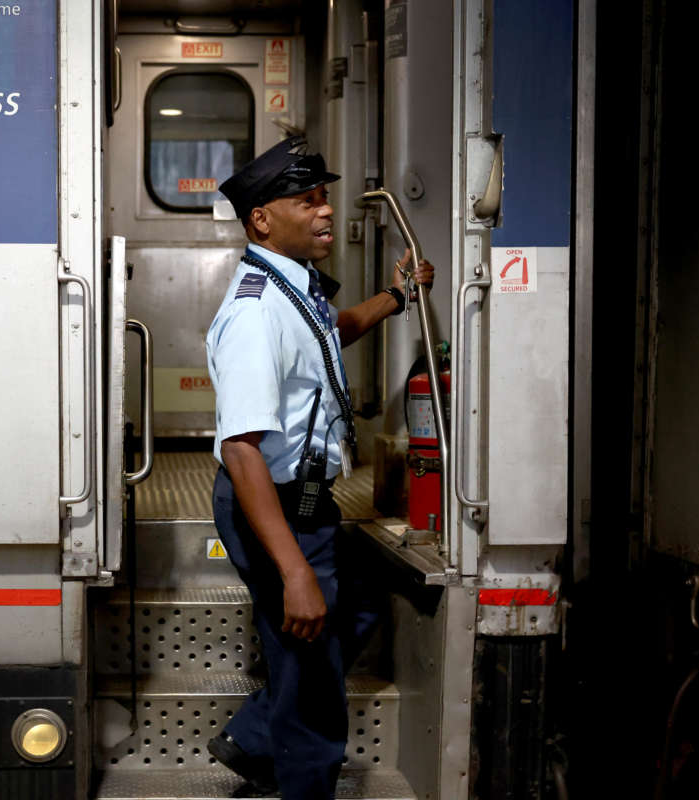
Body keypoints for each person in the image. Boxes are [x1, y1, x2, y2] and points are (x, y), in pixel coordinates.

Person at [204, 136, 434, 799]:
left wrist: (395, 297)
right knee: (313, 682)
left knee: (356, 610)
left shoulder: (293, 291)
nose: (325, 210)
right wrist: (295, 570)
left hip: (304, 497)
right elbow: (242, 450)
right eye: (305, 200)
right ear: (262, 220)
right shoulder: (255, 312)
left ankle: (251, 738)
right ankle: (299, 776)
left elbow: (335, 331)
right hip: (268, 499)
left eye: (324, 196)